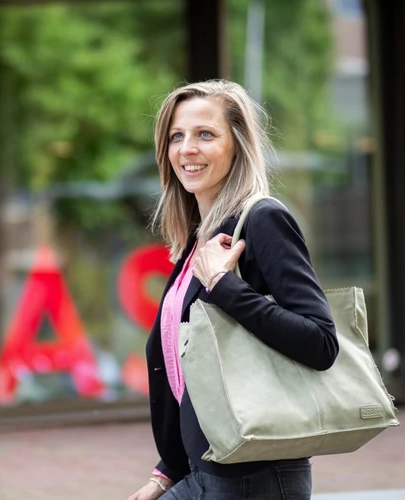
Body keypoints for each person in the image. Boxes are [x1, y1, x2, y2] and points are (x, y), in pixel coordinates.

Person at [126, 80, 339, 500]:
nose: (187, 148)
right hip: (206, 471)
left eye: (205, 134)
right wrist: (164, 474)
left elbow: (320, 342)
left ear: (237, 145)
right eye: (176, 136)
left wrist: (225, 286)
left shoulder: (263, 220)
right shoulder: (197, 242)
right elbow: (185, 373)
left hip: (254, 477)